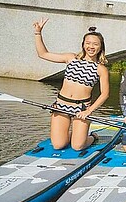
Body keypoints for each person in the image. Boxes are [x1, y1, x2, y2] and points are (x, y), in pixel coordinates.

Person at [33, 17, 109, 150]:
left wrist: (89, 111)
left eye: (95, 44)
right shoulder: (71, 58)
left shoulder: (100, 68)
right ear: (83, 44)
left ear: (100, 47)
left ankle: (92, 137)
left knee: (78, 146)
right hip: (62, 105)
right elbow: (43, 54)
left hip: (82, 108)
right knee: (58, 145)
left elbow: (105, 94)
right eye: (88, 43)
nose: (91, 47)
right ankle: (69, 134)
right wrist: (38, 33)